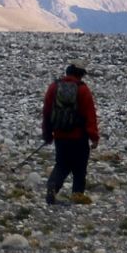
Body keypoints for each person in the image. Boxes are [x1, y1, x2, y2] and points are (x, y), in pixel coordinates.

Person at [42, 59, 100, 204]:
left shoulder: (54, 87)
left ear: (68, 71)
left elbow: (47, 112)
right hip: (79, 137)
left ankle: (53, 186)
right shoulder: (83, 90)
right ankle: (77, 196)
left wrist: (47, 134)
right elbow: (90, 115)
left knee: (61, 165)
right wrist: (94, 137)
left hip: (60, 136)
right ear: (81, 74)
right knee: (79, 169)